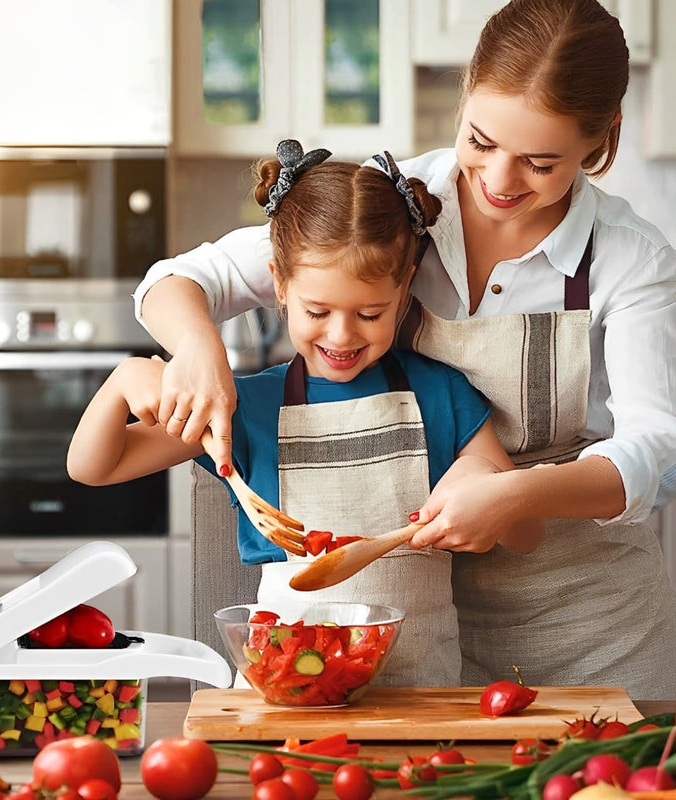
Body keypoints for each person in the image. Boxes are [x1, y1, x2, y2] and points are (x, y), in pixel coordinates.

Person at [132, 0, 676, 700]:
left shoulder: (629, 256)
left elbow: (654, 443)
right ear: (464, 96)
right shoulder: (401, 206)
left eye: (541, 163)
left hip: (586, 621)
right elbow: (175, 281)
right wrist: (199, 351)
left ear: (602, 139)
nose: (501, 181)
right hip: (407, 626)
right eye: (481, 141)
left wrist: (512, 493)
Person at [68, 140, 542, 687]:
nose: (342, 335)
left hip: (420, 697)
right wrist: (124, 379)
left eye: (370, 313)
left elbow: (527, 533)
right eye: (318, 311)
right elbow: (93, 467)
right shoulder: (247, 409)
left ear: (406, 283)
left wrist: (487, 485)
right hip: (285, 694)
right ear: (280, 286)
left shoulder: (442, 394)